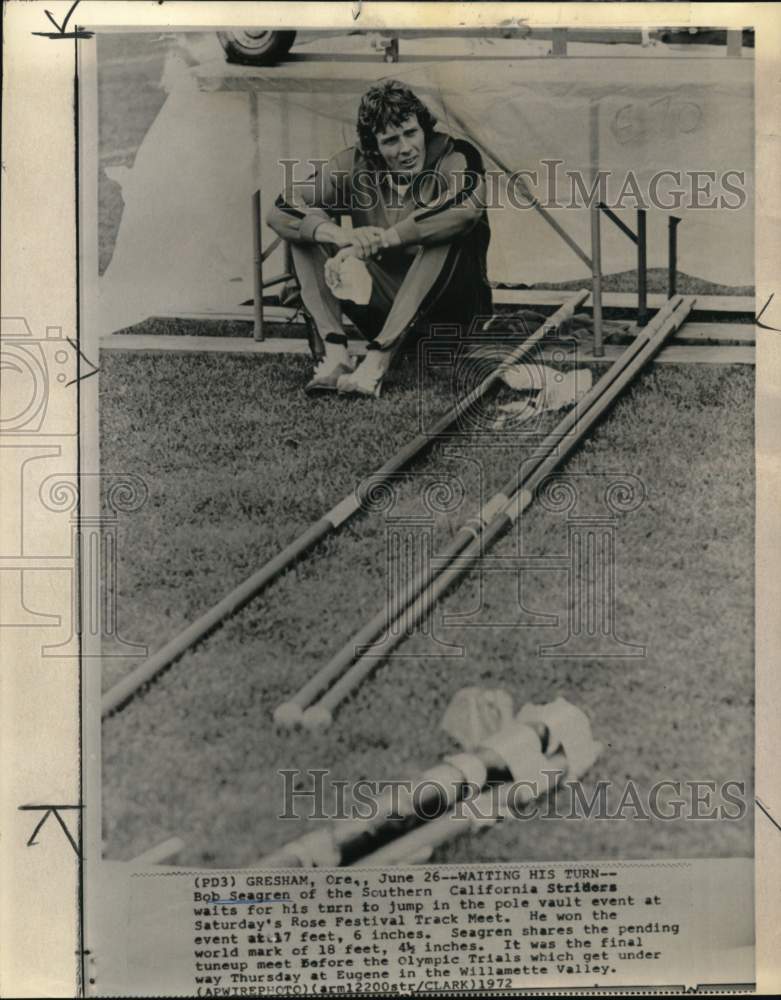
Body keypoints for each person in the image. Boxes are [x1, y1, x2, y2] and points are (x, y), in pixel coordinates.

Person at [267, 80, 492, 397]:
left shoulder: (455, 155)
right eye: (390, 140)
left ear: (424, 128)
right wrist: (342, 236)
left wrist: (386, 239)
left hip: (449, 313)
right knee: (303, 228)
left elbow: (465, 211)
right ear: (374, 146)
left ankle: (376, 363)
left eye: (411, 133)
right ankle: (336, 356)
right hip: (384, 308)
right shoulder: (355, 164)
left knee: (444, 231)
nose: (405, 149)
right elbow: (281, 208)